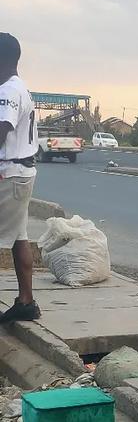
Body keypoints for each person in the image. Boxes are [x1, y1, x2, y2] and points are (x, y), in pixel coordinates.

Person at [0, 33, 40, 322]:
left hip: (9, 174)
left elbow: (2, 130)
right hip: (20, 173)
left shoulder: (8, 91)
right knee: (19, 238)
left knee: (10, 239)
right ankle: (26, 302)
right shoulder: (19, 88)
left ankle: (27, 301)